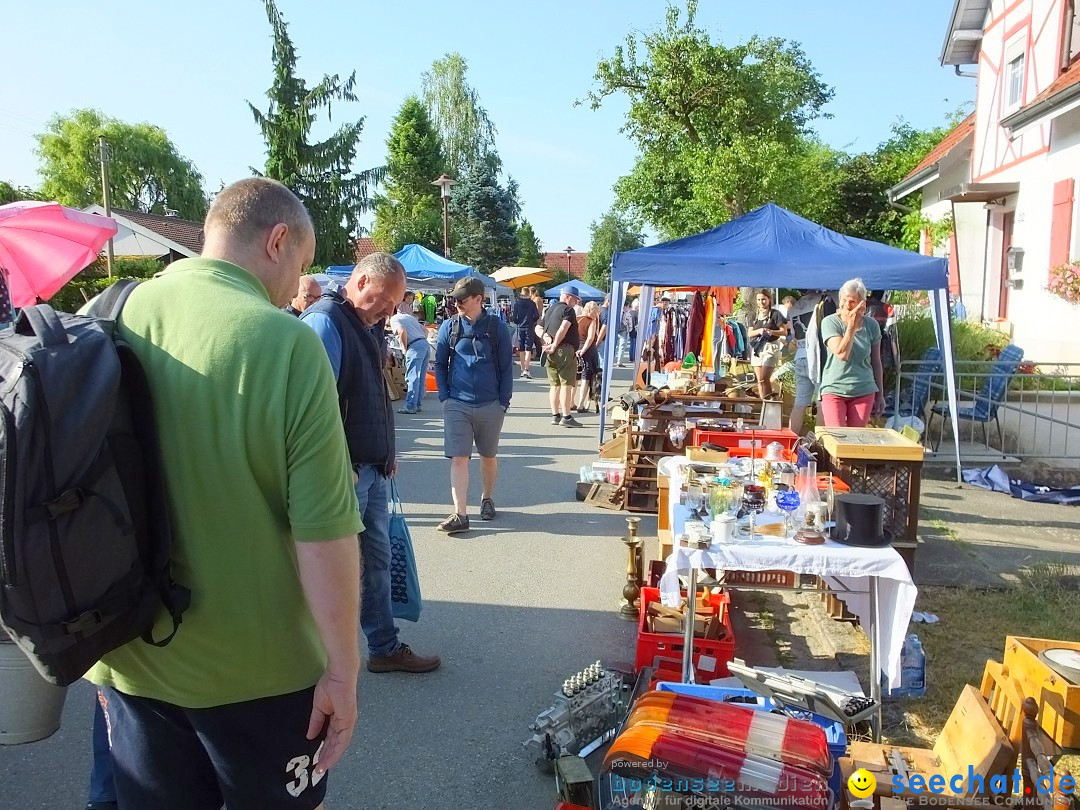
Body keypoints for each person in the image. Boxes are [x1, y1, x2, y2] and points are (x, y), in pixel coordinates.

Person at [85, 178, 363, 810]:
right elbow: (323, 532)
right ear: (278, 239)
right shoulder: (287, 344)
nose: (299, 286)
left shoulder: (111, 313)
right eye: (302, 266)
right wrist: (343, 672)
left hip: (131, 658)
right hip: (259, 672)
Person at [300, 254, 441, 676]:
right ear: (361, 282)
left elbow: (375, 396)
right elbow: (312, 407)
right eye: (387, 300)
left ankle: (383, 646)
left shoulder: (367, 325)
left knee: (376, 563)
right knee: (333, 570)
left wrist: (388, 452)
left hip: (372, 469)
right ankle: (315, 661)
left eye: (397, 303)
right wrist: (338, 465)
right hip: (345, 475)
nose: (392, 311)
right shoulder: (325, 321)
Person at [433, 277, 513, 534]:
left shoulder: (497, 328)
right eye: (455, 298)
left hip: (490, 404)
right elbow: (440, 365)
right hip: (457, 403)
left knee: (488, 456)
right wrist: (445, 397)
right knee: (459, 458)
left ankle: (487, 498)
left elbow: (505, 367)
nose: (456, 303)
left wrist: (503, 402)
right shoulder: (449, 327)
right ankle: (460, 514)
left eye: (462, 299)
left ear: (479, 299)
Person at [819, 278, 885, 428]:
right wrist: (851, 326)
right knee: (836, 437)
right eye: (844, 300)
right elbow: (842, 354)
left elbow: (876, 361)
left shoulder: (872, 325)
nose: (847, 306)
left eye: (852, 302)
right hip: (834, 388)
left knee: (856, 440)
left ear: (863, 304)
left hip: (864, 389)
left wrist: (880, 394)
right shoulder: (830, 322)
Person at [536, 285, 582, 427]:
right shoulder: (568, 310)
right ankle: (567, 417)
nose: (576, 303)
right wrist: (555, 344)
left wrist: (546, 337)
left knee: (554, 385)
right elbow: (564, 328)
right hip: (565, 350)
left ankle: (555, 415)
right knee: (566, 385)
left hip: (549, 351)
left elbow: (538, 327)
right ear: (569, 297)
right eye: (575, 300)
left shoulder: (550, 309)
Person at [786, 290, 825, 435]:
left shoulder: (795, 307)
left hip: (800, 355)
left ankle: (791, 441)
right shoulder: (822, 299)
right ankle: (821, 443)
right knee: (823, 402)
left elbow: (794, 337)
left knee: (799, 403)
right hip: (816, 356)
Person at [390, 292, 431, 415]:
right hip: (424, 344)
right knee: (420, 376)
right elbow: (425, 330)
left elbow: (402, 331)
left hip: (414, 346)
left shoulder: (394, 319)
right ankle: (417, 404)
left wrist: (404, 348)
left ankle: (410, 406)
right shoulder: (409, 317)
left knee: (412, 377)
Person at [747, 289, 788, 400]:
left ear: (769, 300)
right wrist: (760, 330)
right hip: (757, 347)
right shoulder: (753, 315)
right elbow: (750, 333)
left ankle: (770, 403)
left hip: (771, 346)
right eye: (759, 300)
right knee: (760, 380)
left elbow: (784, 331)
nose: (761, 302)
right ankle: (763, 402)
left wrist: (771, 332)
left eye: (763, 300)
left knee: (765, 378)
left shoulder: (775, 314)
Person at [575, 300, 601, 413]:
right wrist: (583, 351)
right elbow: (590, 338)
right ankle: (581, 404)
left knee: (575, 378)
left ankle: (571, 402)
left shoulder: (576, 319)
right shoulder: (591, 322)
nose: (596, 315)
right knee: (588, 378)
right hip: (588, 351)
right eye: (595, 312)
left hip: (575, 349)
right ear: (591, 311)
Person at [511, 286, 540, 379]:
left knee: (521, 349)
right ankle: (526, 369)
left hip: (520, 328)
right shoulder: (532, 303)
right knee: (528, 349)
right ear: (528, 294)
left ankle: (522, 369)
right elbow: (536, 315)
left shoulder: (517, 304)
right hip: (529, 328)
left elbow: (514, 317)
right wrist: (532, 321)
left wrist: (518, 321)